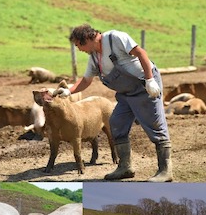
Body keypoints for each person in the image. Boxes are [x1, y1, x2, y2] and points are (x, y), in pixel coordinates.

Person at [67, 24, 172, 182]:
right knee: (116, 122)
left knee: (155, 126)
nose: (79, 49)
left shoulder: (115, 38)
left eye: (78, 44)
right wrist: (69, 91)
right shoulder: (94, 58)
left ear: (87, 39)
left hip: (145, 86)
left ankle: (165, 171)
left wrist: (150, 80)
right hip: (126, 94)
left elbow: (140, 53)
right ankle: (125, 167)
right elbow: (86, 80)